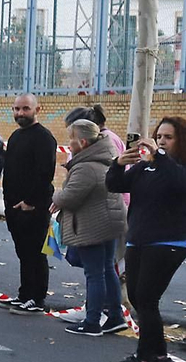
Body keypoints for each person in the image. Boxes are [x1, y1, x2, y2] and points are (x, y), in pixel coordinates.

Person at [104, 117, 186, 362]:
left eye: (168, 137)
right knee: (136, 297)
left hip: (169, 241)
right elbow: (115, 185)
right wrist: (118, 164)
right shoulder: (146, 167)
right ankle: (160, 355)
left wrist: (160, 156)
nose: (162, 141)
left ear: (183, 141)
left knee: (147, 298)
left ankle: (143, 359)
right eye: (159, 136)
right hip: (139, 237)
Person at [52, 119, 129, 337]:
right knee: (107, 269)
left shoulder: (85, 166)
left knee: (94, 273)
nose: (70, 143)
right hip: (109, 222)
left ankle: (93, 320)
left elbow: (69, 197)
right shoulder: (105, 159)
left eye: (72, 139)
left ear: (83, 142)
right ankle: (115, 316)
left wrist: (55, 195)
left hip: (92, 225)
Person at [1, 93, 57, 314]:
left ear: (37, 110)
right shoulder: (15, 136)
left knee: (35, 254)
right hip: (13, 207)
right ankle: (25, 293)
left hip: (33, 208)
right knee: (23, 252)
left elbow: (45, 174)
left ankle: (37, 297)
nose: (20, 113)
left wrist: (30, 202)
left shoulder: (44, 138)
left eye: (25, 109)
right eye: (16, 109)